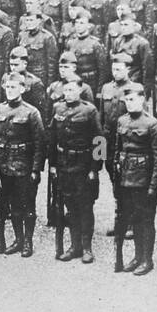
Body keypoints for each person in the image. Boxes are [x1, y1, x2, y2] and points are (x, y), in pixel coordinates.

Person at [110, 86, 157, 275]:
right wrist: (116, 180)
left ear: (142, 100)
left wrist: (154, 187)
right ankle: (137, 256)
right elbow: (117, 151)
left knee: (145, 220)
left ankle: (147, 259)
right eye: (127, 100)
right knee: (133, 220)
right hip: (126, 180)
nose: (130, 103)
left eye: (133, 99)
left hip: (143, 181)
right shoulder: (122, 121)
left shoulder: (152, 124)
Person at [48, 75, 103, 263]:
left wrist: (95, 169)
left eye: (72, 90)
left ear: (80, 90)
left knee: (85, 207)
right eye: (66, 90)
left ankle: (87, 247)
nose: (68, 93)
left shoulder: (90, 110)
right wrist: (53, 165)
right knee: (70, 206)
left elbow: (99, 140)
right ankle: (75, 246)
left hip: (83, 165)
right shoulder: (57, 108)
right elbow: (52, 138)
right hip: (64, 164)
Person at [0, 70, 47, 256]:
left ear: (22, 89)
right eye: (7, 87)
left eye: (13, 87)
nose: (9, 90)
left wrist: (36, 169)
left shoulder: (31, 112)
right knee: (13, 206)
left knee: (27, 206)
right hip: (5, 166)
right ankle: (18, 239)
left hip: (24, 166)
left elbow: (40, 144)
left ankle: (28, 242)